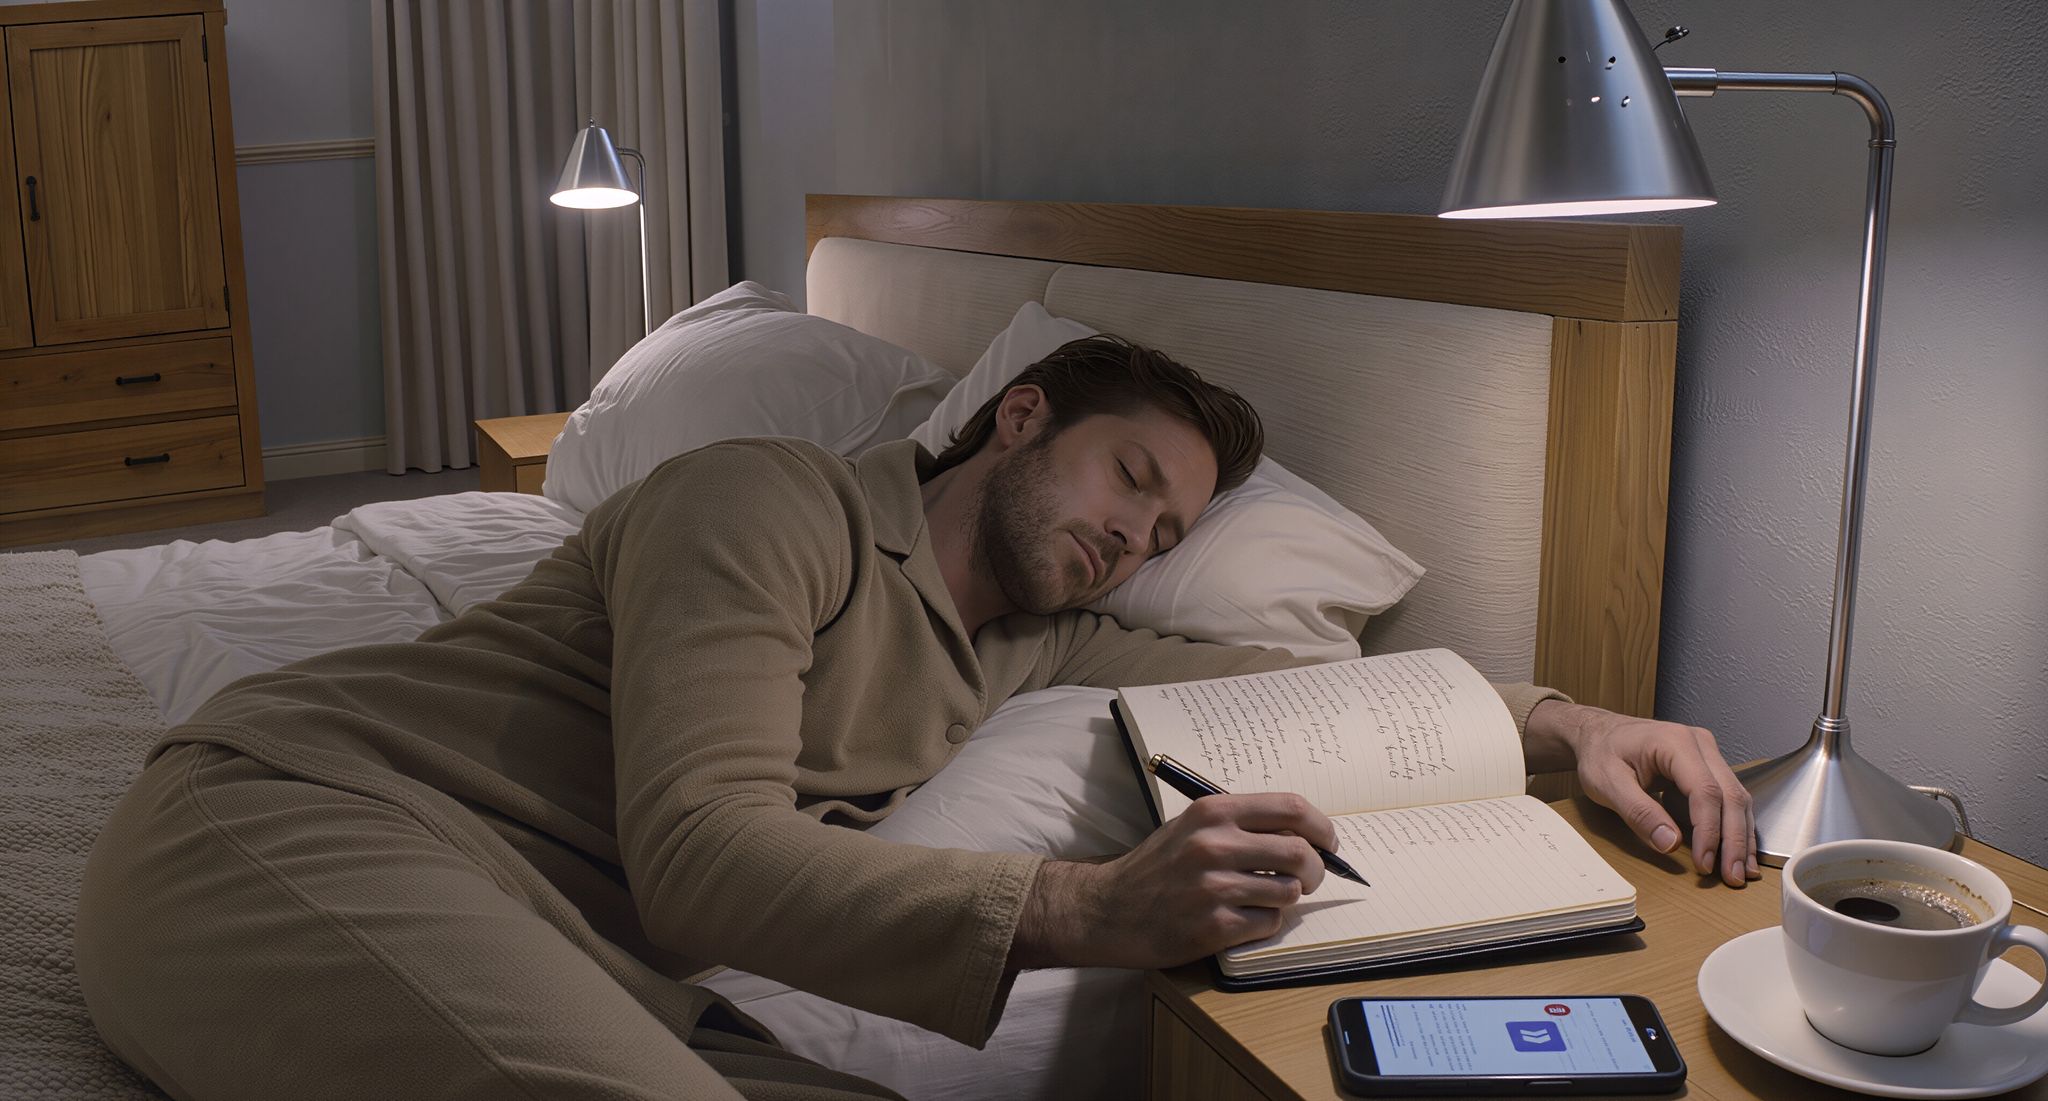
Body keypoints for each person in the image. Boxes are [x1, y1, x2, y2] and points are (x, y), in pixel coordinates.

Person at [76, 335, 1755, 1101]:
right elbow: (701, 858)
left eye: (1170, 535)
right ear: (1018, 417)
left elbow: (1294, 691)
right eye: (1130, 476)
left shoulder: (1025, 648)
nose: (1136, 535)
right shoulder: (767, 499)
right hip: (290, 818)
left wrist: (1574, 720)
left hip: (534, 921)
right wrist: (1091, 907)